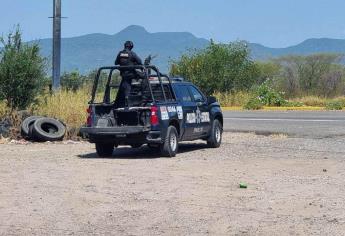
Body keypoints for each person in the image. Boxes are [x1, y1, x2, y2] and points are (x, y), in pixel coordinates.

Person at [114, 41, 143, 107]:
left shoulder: (120, 53)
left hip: (123, 74)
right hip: (131, 74)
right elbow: (140, 62)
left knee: (125, 83)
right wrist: (134, 63)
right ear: (131, 46)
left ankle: (125, 97)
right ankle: (141, 94)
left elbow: (116, 63)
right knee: (143, 76)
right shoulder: (132, 53)